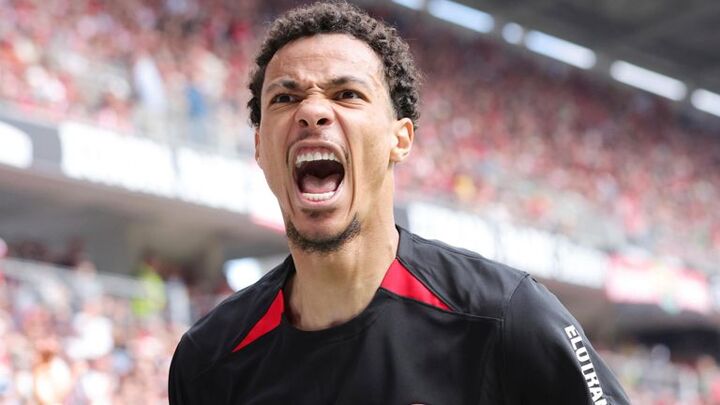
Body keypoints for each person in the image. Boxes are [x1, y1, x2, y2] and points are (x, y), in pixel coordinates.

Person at [169, 2, 630, 404]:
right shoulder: (208, 359)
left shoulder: (505, 317)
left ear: (400, 139)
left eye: (347, 94)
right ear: (259, 147)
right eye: (286, 98)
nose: (311, 111)